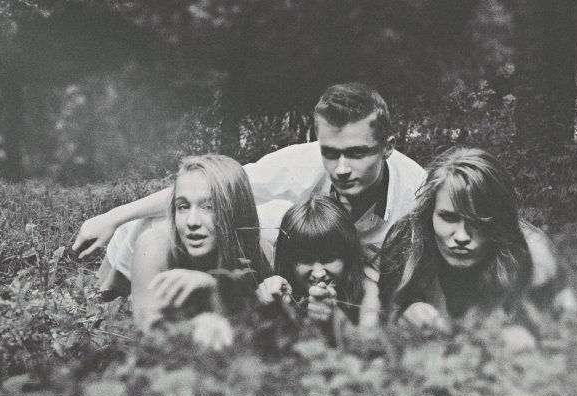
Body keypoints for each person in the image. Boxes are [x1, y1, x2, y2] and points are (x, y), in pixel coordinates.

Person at [72, 82, 427, 326]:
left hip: (355, 282)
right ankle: (101, 300)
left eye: (357, 153)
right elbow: (212, 188)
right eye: (330, 153)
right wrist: (114, 216)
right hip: (295, 267)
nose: (342, 169)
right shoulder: (300, 163)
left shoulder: (415, 193)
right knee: (152, 224)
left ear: (388, 148)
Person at [378, 147, 569, 347]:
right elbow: (384, 318)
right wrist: (406, 309)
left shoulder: (532, 255)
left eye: (477, 221)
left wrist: (519, 332)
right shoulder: (405, 242)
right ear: (430, 213)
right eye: (448, 217)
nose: (461, 237)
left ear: (500, 221)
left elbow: (557, 334)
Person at [129, 155, 270, 335]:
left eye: (209, 207)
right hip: (123, 254)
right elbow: (153, 340)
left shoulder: (259, 250)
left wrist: (213, 291)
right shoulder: (154, 247)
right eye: (183, 207)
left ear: (235, 210)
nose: (192, 221)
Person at [256, 196, 366, 346]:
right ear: (289, 260)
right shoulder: (278, 291)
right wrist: (265, 311)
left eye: (329, 259)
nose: (318, 274)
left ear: (348, 255)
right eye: (305, 260)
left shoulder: (369, 296)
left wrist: (335, 321)